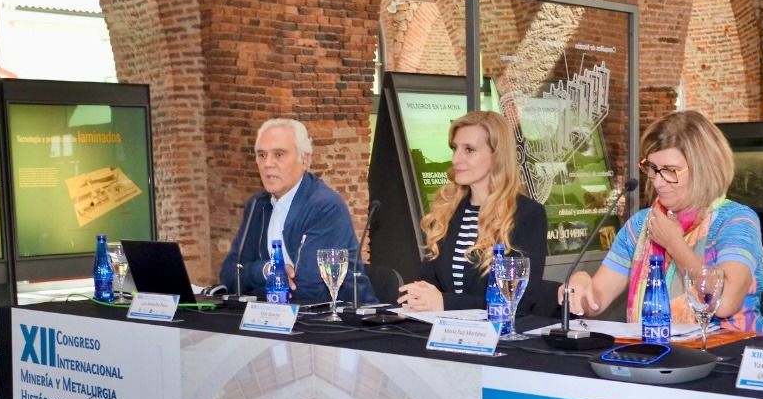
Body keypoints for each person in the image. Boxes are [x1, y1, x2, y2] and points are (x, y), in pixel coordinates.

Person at [562, 110, 763, 335]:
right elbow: (596, 301)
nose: (658, 182)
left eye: (670, 171)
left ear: (703, 169)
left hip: (724, 358)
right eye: (652, 169)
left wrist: (674, 244)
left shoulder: (736, 221)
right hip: (651, 355)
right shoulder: (641, 224)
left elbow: (726, 302)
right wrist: (580, 287)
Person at [397, 110, 547, 312]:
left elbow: (519, 303)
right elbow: (430, 283)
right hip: (442, 333)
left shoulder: (527, 215)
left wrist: (446, 303)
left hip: (497, 338)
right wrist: (420, 296)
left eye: (469, 150)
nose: (456, 159)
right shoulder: (446, 211)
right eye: (455, 148)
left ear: (497, 157)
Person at [218, 118, 374, 304]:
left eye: (279, 154)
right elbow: (229, 274)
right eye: (261, 155)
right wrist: (266, 270)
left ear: (304, 160)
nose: (268, 163)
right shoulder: (257, 205)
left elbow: (311, 289)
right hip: (275, 315)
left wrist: (254, 283)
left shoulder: (324, 206)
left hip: (341, 322)